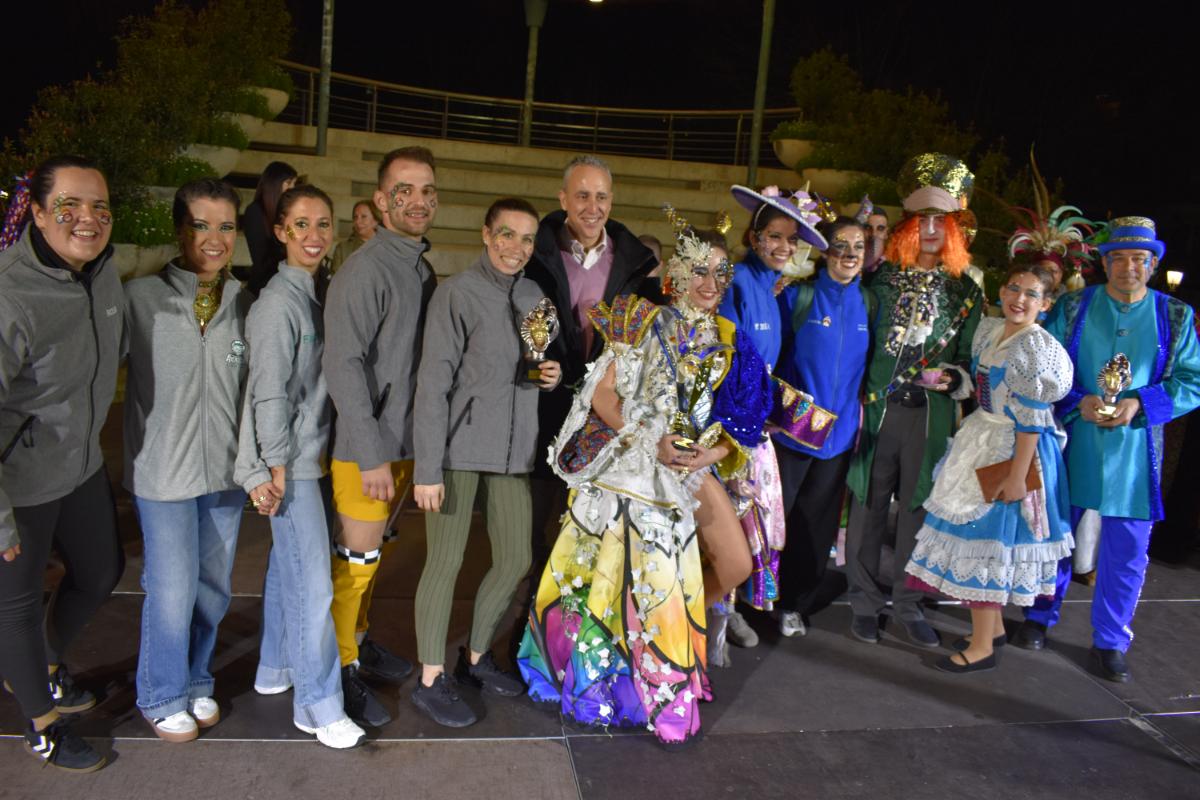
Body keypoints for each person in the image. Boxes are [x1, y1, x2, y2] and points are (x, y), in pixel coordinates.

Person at [519, 210, 768, 747]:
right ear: (676, 274)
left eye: (721, 274)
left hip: (688, 473)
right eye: (699, 272)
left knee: (729, 565)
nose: (710, 285)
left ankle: (675, 651)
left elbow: (744, 427)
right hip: (632, 468)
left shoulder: (735, 344)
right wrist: (643, 436)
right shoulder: (639, 320)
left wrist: (707, 456)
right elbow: (603, 396)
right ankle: (638, 688)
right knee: (621, 577)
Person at [1013, 217, 1200, 682]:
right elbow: (1042, 361)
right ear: (1106, 263)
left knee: (1128, 550)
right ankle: (1039, 616)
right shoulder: (1075, 306)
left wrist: (1141, 403)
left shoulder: (1175, 316)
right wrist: (1079, 400)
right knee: (1053, 532)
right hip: (1074, 439)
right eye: (1118, 258)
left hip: (1137, 453)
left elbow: (1193, 380)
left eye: (1139, 259)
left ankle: (1111, 640)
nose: (1128, 267)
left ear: (1153, 265)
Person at [410, 197, 561, 727]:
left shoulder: (534, 296)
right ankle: (429, 678)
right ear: (485, 233)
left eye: (526, 239)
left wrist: (550, 376)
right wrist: (426, 469)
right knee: (444, 564)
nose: (515, 248)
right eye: (506, 234)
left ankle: (473, 658)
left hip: (513, 454)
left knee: (517, 557)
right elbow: (432, 385)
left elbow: (532, 365)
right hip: (457, 451)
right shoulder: (456, 293)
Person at [0, 156, 123, 772]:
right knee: (15, 604)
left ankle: (41, 670)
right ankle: (39, 724)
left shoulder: (102, 271)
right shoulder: (10, 293)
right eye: (71, 206)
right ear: (39, 213)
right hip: (17, 483)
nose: (88, 218)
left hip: (78, 465)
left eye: (99, 206)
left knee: (101, 571)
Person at [234, 185, 366, 749]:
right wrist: (275, 465)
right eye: (301, 224)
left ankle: (274, 668)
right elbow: (268, 394)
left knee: (288, 568)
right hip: (292, 464)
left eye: (322, 224)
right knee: (313, 584)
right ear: (282, 232)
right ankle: (318, 704)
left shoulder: (314, 295)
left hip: (306, 457)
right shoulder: (276, 306)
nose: (314, 235)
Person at [123, 178, 251, 742]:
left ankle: (197, 679)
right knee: (171, 588)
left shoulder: (247, 303)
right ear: (180, 228)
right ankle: (160, 692)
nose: (214, 238)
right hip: (163, 473)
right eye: (201, 224)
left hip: (224, 473)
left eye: (225, 225)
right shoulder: (140, 298)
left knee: (212, 587)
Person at [904, 263, 1074, 673]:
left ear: (1046, 304)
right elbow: (983, 388)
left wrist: (1017, 476)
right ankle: (992, 630)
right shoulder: (990, 329)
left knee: (988, 541)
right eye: (1014, 288)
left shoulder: (1038, 348)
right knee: (971, 533)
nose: (1019, 299)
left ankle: (981, 647)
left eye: (1031, 294)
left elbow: (1033, 418)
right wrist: (953, 381)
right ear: (1001, 289)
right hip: (982, 436)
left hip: (1016, 449)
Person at [845, 153, 984, 648]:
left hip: (930, 417)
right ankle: (863, 601)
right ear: (907, 227)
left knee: (917, 512)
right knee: (866, 506)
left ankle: (906, 602)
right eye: (921, 220)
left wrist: (954, 378)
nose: (929, 229)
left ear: (953, 231)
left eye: (939, 221)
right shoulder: (877, 281)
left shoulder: (966, 291)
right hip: (878, 411)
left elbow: (970, 359)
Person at [323, 146, 438, 727]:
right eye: (404, 191)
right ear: (380, 200)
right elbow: (342, 365)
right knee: (357, 564)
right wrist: (370, 454)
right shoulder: (366, 269)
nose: (418, 201)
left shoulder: (416, 263)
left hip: (396, 444)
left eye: (426, 191)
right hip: (366, 450)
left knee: (372, 559)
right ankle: (336, 672)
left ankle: (359, 642)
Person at [525, 155, 657, 565]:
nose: (592, 206)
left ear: (612, 201)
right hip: (543, 417)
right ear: (563, 198)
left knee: (592, 540)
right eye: (582, 195)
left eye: (600, 196)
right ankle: (530, 620)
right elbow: (515, 349)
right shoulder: (532, 255)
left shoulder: (633, 265)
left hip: (603, 422)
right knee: (536, 538)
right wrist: (536, 373)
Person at [716, 184, 828, 650]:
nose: (784, 247)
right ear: (754, 235)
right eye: (775, 237)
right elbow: (723, 357)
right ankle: (714, 621)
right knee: (725, 523)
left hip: (756, 428)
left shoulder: (772, 288)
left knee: (750, 525)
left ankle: (730, 610)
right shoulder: (738, 281)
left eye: (792, 240)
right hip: (728, 429)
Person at [773, 215, 873, 637]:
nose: (849, 254)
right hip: (793, 433)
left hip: (838, 439)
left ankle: (793, 603)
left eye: (858, 247)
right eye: (840, 245)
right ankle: (755, 596)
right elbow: (772, 358)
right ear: (824, 250)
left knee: (816, 528)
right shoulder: (799, 296)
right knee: (777, 521)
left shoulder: (871, 304)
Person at [244, 160, 298, 295]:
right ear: (275, 184)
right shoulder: (255, 211)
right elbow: (260, 259)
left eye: (294, 184)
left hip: (287, 283)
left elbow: (293, 240)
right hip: (265, 288)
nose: (292, 188)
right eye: (288, 183)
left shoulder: (284, 214)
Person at [330, 199, 380, 274]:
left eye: (363, 217)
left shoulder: (388, 248)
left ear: (376, 220)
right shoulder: (343, 249)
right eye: (355, 217)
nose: (358, 222)